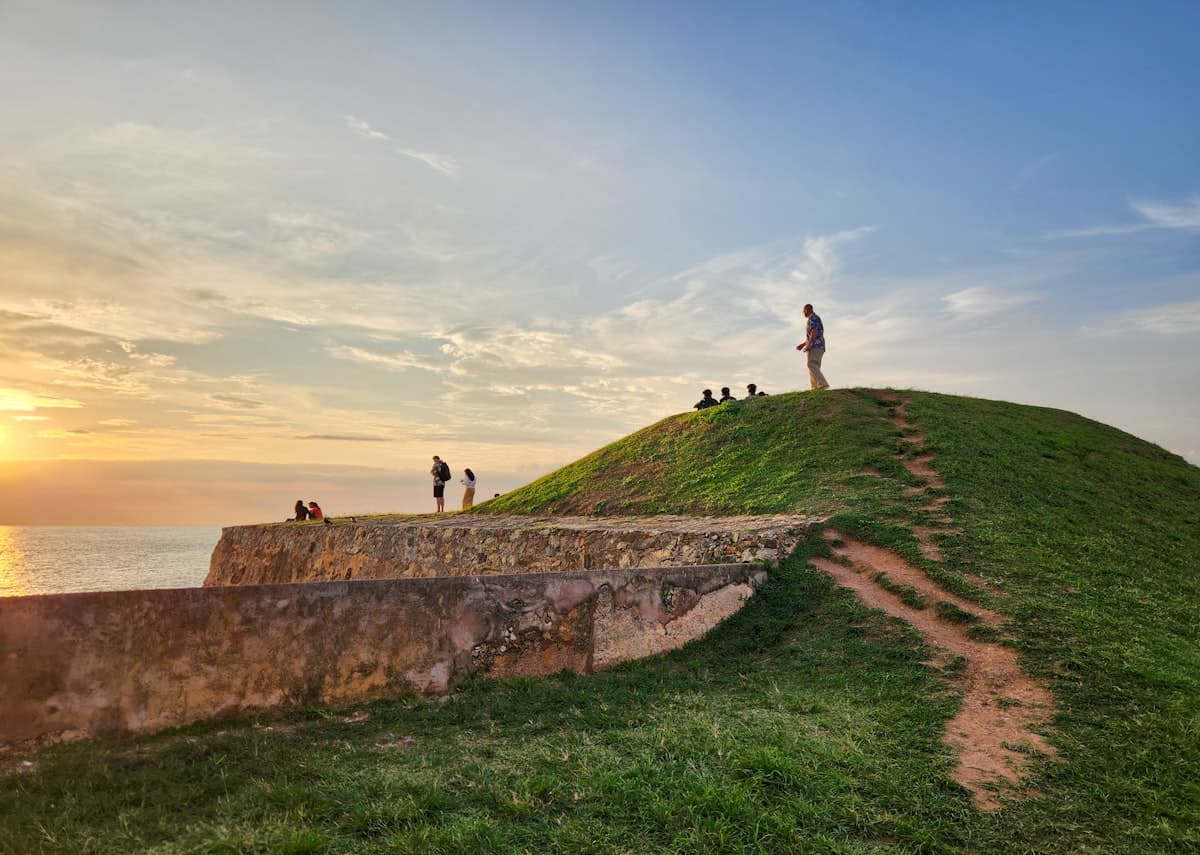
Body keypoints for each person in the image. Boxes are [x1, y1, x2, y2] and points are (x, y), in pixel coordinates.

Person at [796, 303, 830, 390]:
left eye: (804, 311)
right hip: (818, 346)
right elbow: (812, 335)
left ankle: (823, 384)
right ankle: (815, 387)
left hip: (815, 346)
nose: (803, 313)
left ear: (807, 310)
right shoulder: (814, 318)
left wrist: (809, 345)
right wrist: (803, 344)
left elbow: (814, 333)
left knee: (811, 364)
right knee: (814, 366)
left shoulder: (813, 318)